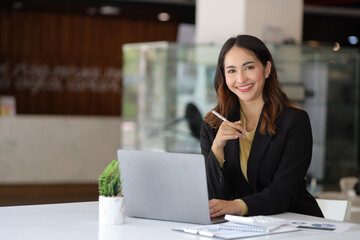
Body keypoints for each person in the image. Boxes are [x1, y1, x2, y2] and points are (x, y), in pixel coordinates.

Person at [200, 35, 324, 218]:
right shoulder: (212, 124)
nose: (241, 79)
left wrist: (237, 206)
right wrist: (217, 149)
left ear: (267, 69)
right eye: (231, 71)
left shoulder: (294, 121)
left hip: (294, 223)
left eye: (249, 67)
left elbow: (283, 192)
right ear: (224, 76)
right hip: (238, 228)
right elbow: (212, 197)